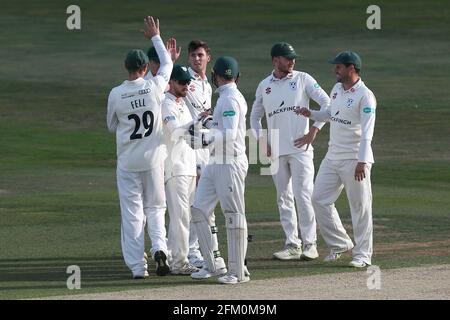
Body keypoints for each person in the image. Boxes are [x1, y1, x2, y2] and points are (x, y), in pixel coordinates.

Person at [295, 51, 377, 268]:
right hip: (333, 156)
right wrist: (310, 113)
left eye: (338, 67)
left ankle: (362, 255)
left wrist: (362, 160)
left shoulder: (365, 96)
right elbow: (331, 114)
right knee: (318, 199)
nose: (335, 70)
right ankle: (340, 244)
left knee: (360, 207)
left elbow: (368, 132)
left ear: (351, 68)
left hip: (354, 159)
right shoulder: (337, 89)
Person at [250, 42, 330, 261]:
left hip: (300, 149)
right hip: (276, 150)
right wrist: (261, 140)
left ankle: (310, 243)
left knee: (304, 194)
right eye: (288, 58)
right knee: (283, 197)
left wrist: (314, 129)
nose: (292, 61)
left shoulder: (303, 79)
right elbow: (254, 117)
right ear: (276, 60)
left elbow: (327, 104)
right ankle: (292, 244)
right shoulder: (264, 85)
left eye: (293, 57)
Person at [106, 16, 173, 278]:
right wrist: (155, 36)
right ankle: (160, 249)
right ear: (146, 68)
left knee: (133, 214)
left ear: (126, 68)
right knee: (156, 208)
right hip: (154, 159)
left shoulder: (116, 93)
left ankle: (138, 268)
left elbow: (111, 125)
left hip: (128, 163)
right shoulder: (154, 87)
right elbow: (167, 62)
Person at [188, 56, 249, 284]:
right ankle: (213, 265)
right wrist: (210, 121)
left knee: (233, 215)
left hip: (230, 162)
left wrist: (206, 137)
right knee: (199, 210)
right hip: (216, 161)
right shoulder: (225, 98)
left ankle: (238, 272)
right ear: (236, 76)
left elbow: (231, 134)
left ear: (215, 76)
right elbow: (223, 126)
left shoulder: (231, 98)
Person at [182, 40, 219, 269]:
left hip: (205, 147)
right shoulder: (184, 78)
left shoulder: (207, 83)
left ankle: (185, 247)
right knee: (192, 202)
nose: (197, 58)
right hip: (188, 146)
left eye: (200, 55)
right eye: (193, 55)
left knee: (200, 202)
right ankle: (190, 251)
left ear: (208, 57)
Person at [161, 65, 200, 275]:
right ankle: (180, 263)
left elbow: (192, 137)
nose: (186, 85)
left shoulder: (184, 103)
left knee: (184, 216)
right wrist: (197, 122)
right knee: (180, 217)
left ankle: (171, 256)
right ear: (172, 82)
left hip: (189, 166)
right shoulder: (166, 105)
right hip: (175, 168)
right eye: (182, 82)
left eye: (188, 82)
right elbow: (176, 132)